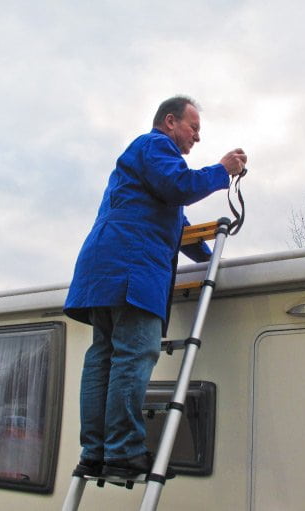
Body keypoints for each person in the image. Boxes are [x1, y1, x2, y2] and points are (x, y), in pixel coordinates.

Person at [64, 96, 247, 479]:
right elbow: (179, 184)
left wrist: (210, 256)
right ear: (169, 122)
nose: (197, 136)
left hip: (104, 268)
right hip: (131, 268)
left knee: (103, 359)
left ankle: (95, 452)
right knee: (134, 355)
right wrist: (222, 171)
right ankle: (124, 452)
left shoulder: (143, 173)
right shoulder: (155, 145)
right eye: (193, 127)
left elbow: (176, 226)